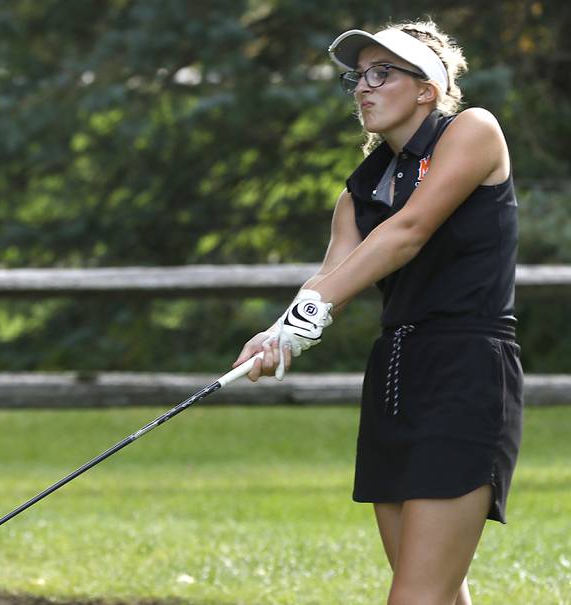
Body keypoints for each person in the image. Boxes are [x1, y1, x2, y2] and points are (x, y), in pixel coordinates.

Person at [232, 20, 523, 605]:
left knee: (415, 597)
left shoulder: (471, 131)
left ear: (427, 89)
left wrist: (310, 311)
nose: (363, 88)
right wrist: (278, 333)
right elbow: (331, 273)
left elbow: (409, 232)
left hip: (467, 369)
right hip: (393, 374)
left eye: (381, 73)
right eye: (357, 77)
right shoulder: (360, 190)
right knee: (436, 593)